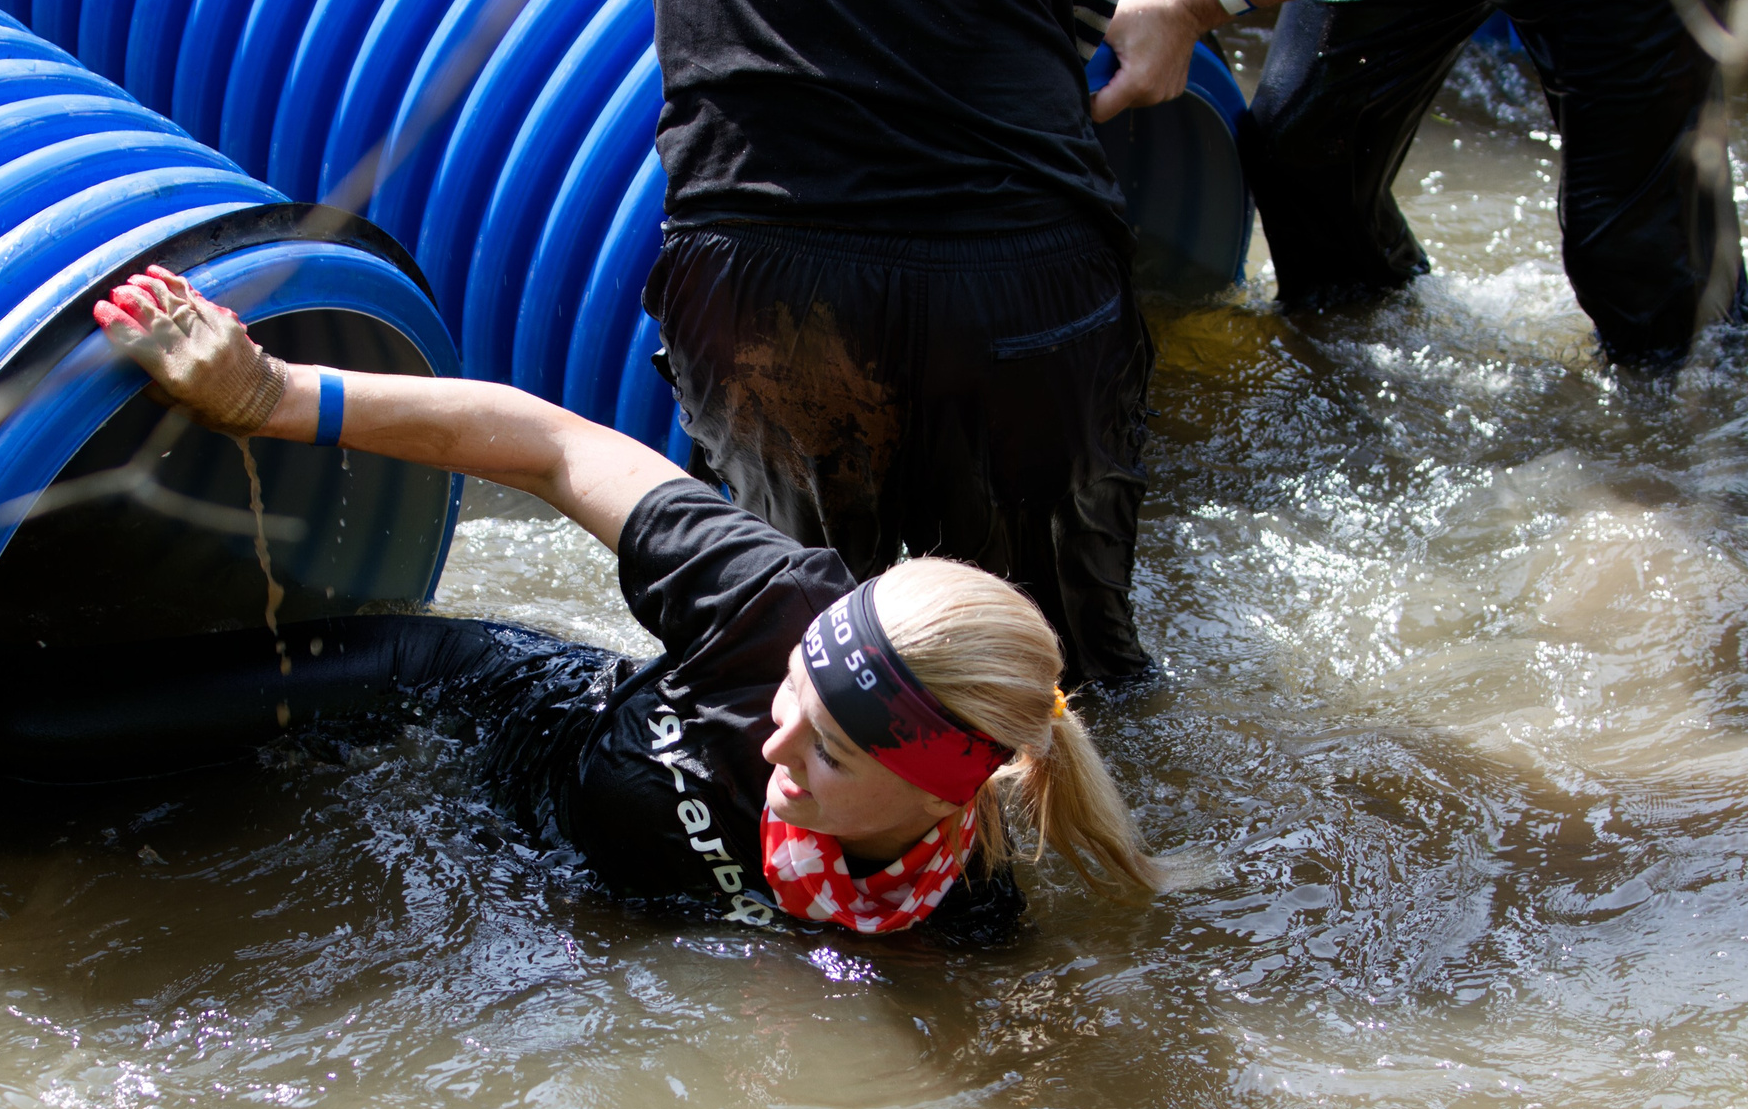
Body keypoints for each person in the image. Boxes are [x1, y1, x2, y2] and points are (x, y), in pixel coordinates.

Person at [72, 268, 1173, 940]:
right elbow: (552, 447)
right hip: (461, 720)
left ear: (941, 798)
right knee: (36, 735)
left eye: (831, 753)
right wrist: (269, 395)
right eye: (794, 697)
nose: (779, 737)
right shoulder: (768, 599)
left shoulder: (958, 906)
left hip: (562, 901)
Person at [620, 0, 1159, 687]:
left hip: (766, 277)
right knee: (1052, 689)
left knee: (798, 671)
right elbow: (1073, 19)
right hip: (1021, 275)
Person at [1094, 0, 1748, 367]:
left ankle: (1699, 457)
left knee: (1639, 256)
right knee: (1301, 151)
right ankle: (1372, 365)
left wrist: (1192, 0)